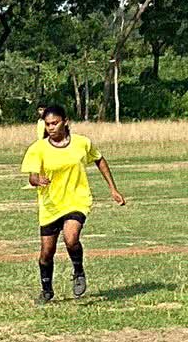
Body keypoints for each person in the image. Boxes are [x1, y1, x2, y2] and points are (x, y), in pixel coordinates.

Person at [21, 105, 125, 306]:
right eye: (48, 124)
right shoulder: (38, 148)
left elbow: (99, 160)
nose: (51, 127)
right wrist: (37, 180)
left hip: (77, 200)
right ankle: (46, 290)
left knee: (71, 238)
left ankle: (78, 271)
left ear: (65, 121)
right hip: (50, 205)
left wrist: (113, 189)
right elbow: (32, 176)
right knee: (46, 253)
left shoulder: (82, 143)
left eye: (55, 123)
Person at [23, 105, 48, 189]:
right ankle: (35, 180)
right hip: (39, 143)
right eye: (39, 110)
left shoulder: (48, 121)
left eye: (43, 110)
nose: (41, 112)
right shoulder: (40, 121)